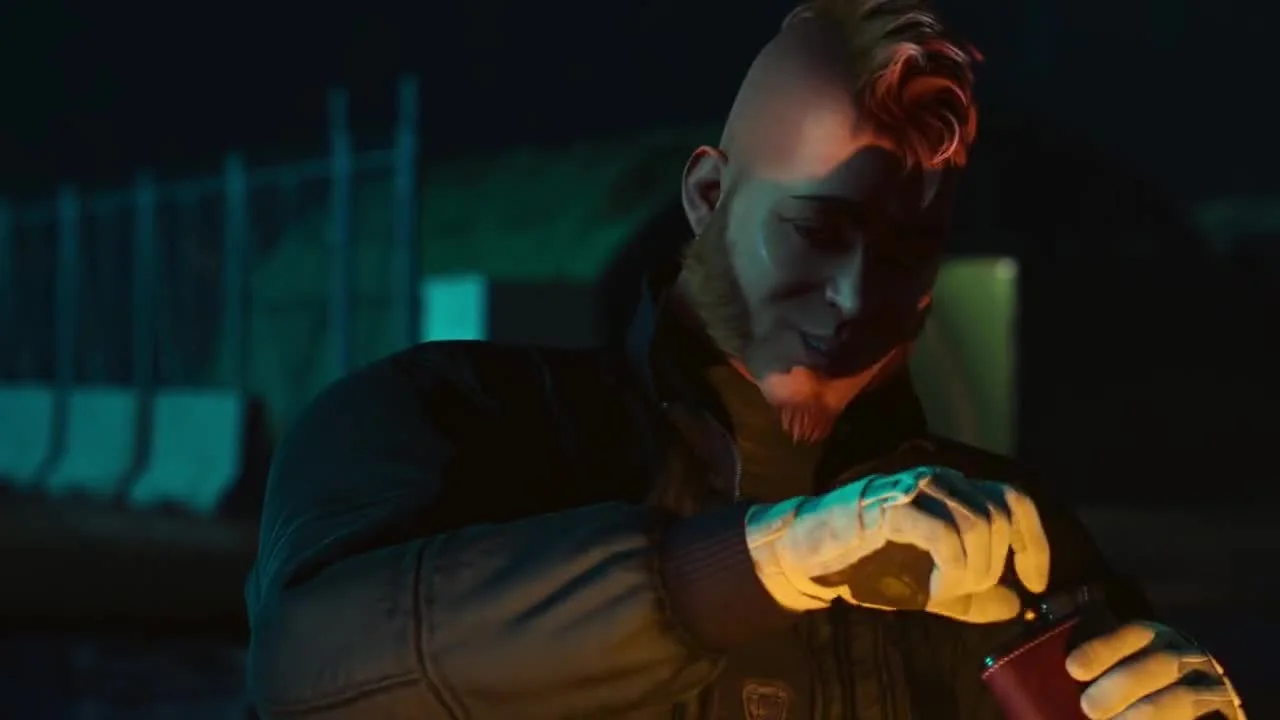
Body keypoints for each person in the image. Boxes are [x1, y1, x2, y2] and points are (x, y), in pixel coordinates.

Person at [244, 1, 1246, 718]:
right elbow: (311, 664)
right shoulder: (446, 418)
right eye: (817, 230)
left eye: (907, 251)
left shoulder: (1016, 533)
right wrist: (764, 558)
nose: (857, 296)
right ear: (707, 196)